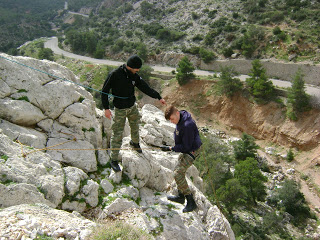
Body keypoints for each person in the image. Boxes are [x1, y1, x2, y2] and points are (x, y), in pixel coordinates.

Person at [101, 55, 166, 172]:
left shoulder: (134, 76)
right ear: (131, 67)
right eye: (137, 69)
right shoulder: (115, 74)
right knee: (117, 133)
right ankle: (114, 159)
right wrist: (106, 108)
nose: (138, 71)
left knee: (135, 126)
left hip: (132, 107)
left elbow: (145, 87)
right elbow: (104, 91)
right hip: (120, 109)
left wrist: (158, 97)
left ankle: (135, 143)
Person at [161, 105, 202, 213]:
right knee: (178, 167)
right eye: (170, 120)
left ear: (177, 113)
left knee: (178, 173)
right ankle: (180, 196)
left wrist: (171, 148)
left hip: (192, 150)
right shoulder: (181, 120)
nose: (172, 122)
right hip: (187, 148)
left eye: (172, 119)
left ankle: (190, 201)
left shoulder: (187, 125)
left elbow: (186, 147)